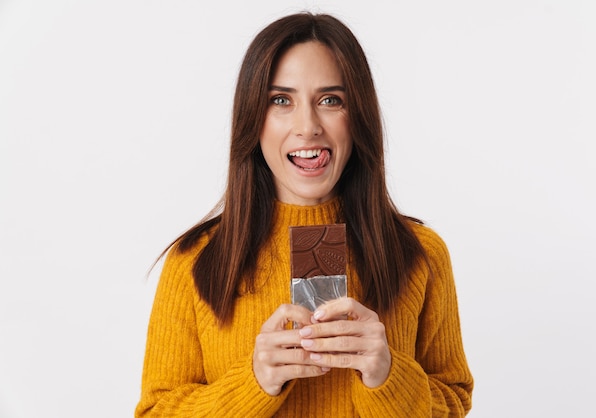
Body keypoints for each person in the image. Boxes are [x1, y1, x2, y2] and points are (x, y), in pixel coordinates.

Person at [135, 12, 473, 417]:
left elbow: (455, 401)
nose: (307, 126)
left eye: (331, 100)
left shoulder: (421, 254)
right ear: (252, 120)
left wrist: (389, 377)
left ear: (358, 116)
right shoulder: (195, 261)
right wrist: (253, 383)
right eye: (281, 101)